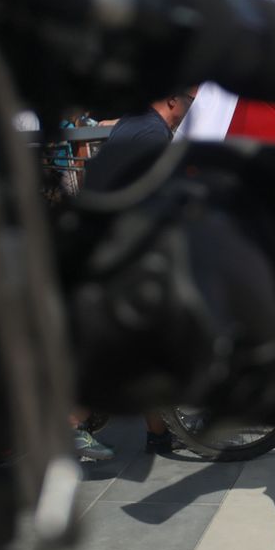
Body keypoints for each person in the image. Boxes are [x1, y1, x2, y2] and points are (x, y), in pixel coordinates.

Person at [87, 87, 199, 454]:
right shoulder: (151, 135)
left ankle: (158, 431)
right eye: (191, 101)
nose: (192, 109)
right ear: (172, 100)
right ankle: (70, 422)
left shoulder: (135, 126)